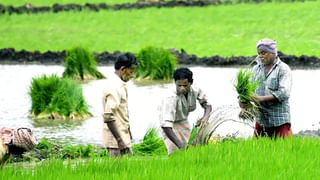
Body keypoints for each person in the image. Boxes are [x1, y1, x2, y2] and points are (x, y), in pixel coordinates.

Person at [241, 38, 293, 138]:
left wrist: (261, 99)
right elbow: (248, 90)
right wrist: (244, 101)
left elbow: (284, 92)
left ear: (273, 52)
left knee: (284, 150)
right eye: (259, 53)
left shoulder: (283, 69)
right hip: (261, 120)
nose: (260, 56)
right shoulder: (256, 69)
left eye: (263, 53)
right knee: (256, 151)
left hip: (279, 121)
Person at [159, 67, 212, 155]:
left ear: (191, 83)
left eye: (185, 85)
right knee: (175, 152)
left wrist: (205, 118)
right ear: (175, 83)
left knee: (191, 148)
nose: (182, 88)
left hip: (184, 121)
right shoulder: (170, 97)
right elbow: (166, 125)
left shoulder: (195, 90)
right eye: (179, 85)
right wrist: (180, 145)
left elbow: (207, 105)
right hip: (170, 126)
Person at [102, 53, 138, 157]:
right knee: (116, 169)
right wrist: (119, 140)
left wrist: (128, 131)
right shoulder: (114, 87)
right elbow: (108, 115)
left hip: (122, 135)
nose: (132, 76)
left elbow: (122, 112)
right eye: (131, 72)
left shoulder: (119, 85)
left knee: (126, 167)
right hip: (115, 139)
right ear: (122, 69)